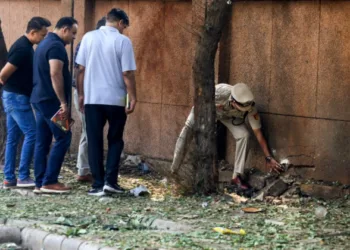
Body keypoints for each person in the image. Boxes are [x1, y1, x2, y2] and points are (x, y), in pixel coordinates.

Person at [171, 83, 283, 190]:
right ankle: (174, 171)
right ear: (233, 101)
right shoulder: (220, 91)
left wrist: (268, 157)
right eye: (241, 108)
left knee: (244, 135)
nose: (245, 110)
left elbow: (258, 133)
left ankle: (237, 177)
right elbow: (200, 100)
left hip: (228, 117)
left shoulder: (250, 106)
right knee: (186, 132)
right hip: (206, 110)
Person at [76, 8, 136, 196]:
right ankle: (111, 181)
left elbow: (80, 69)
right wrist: (133, 96)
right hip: (116, 99)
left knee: (94, 140)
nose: (124, 30)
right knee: (115, 139)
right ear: (120, 23)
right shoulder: (123, 41)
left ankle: (97, 184)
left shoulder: (88, 37)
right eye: (124, 27)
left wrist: (81, 94)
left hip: (92, 98)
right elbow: (127, 73)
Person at [0, 17, 51, 189]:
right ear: (33, 32)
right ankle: (22, 176)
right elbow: (3, 74)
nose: (43, 39)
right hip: (16, 97)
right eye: (42, 35)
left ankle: (9, 178)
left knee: (13, 138)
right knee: (32, 134)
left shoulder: (26, 46)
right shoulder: (22, 48)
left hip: (14, 96)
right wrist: (12, 88)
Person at [30, 17, 78, 194]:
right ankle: (49, 181)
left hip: (39, 99)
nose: (73, 37)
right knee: (64, 136)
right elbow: (55, 73)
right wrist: (63, 102)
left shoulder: (43, 43)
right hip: (51, 101)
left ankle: (39, 182)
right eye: (73, 33)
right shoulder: (56, 46)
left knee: (42, 141)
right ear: (64, 29)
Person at [73, 17, 106, 183]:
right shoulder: (88, 42)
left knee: (90, 130)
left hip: (89, 92)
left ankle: (86, 168)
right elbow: (80, 71)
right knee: (88, 130)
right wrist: (82, 94)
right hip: (84, 92)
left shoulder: (90, 42)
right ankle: (83, 170)